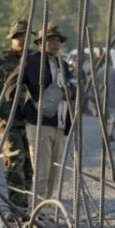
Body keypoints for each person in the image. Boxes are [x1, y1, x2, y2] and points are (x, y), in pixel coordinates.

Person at [0, 19, 33, 213]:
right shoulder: (0, 58)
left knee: (30, 165)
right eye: (18, 36)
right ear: (11, 38)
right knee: (14, 161)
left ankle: (27, 204)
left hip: (32, 119)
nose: (22, 39)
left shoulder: (35, 59)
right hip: (7, 119)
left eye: (25, 36)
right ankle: (16, 207)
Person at [16, 24, 73, 204]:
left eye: (58, 40)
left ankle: (46, 208)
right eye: (51, 39)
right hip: (39, 122)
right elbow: (14, 86)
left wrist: (69, 91)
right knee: (41, 171)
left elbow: (72, 87)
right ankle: (37, 208)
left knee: (54, 173)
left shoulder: (63, 64)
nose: (55, 44)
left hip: (60, 123)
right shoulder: (30, 62)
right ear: (40, 42)